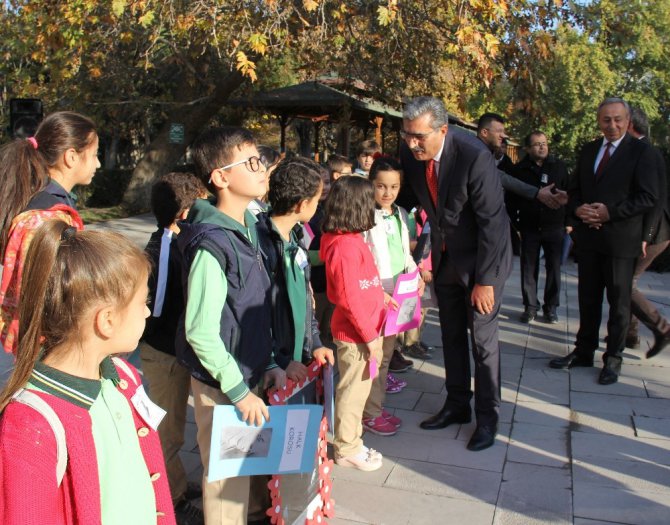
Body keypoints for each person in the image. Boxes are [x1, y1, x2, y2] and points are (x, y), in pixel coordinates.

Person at [0, 221, 175, 524]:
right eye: (142, 302)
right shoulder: (30, 424)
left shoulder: (124, 378)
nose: (148, 311)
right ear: (106, 320)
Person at [176, 126, 279, 525]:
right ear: (220, 177)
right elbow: (200, 330)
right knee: (225, 482)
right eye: (251, 162)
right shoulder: (211, 242)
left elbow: (252, 307)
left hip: (246, 372)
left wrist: (268, 363)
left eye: (261, 160)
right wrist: (238, 390)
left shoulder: (248, 228)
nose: (262, 169)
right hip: (223, 382)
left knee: (244, 475)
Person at [399, 96, 512, 452]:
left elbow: (493, 224)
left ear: (443, 130)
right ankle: (457, 405)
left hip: (481, 262)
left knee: (482, 343)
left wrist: (486, 281)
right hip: (446, 261)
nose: (412, 143)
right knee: (450, 336)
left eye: (419, 136)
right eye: (407, 135)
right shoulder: (410, 153)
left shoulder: (474, 156)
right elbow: (405, 197)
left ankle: (488, 419)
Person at [549, 98, 657, 385]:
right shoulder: (588, 151)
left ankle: (613, 358)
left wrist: (610, 213)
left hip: (621, 241)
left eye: (618, 119)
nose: (612, 125)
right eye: (606, 120)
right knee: (587, 299)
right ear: (599, 121)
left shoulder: (642, 153)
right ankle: (583, 351)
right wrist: (578, 209)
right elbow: (573, 192)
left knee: (619, 303)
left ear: (627, 120)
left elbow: (648, 197)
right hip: (589, 239)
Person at [1, 111, 98, 355]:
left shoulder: (44, 201)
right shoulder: (47, 216)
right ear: (71, 156)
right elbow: (48, 292)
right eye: (95, 155)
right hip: (40, 347)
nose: (97, 164)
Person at [139, 173, 205, 525]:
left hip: (172, 350)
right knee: (167, 430)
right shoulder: (165, 248)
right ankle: (170, 499)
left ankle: (176, 481)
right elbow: (160, 307)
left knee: (174, 426)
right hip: (165, 352)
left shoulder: (173, 242)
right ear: (184, 213)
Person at [320, 176, 386, 471]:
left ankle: (352, 440)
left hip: (365, 331)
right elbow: (348, 297)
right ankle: (347, 447)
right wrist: (370, 338)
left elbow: (360, 284)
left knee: (359, 389)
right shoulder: (344, 246)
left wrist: (381, 295)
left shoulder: (351, 240)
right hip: (357, 335)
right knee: (352, 391)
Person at [257, 157, 334, 386]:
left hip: (297, 358)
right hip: (275, 368)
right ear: (302, 204)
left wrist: (316, 343)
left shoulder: (295, 235)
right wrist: (279, 360)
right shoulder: (262, 246)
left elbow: (305, 300)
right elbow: (257, 316)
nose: (319, 205)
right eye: (316, 200)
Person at [361, 156, 423, 436]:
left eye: (394, 186)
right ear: (370, 184)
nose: (387, 193)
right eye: (381, 186)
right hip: (375, 294)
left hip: (399, 293)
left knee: (386, 354)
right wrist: (376, 289)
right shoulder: (363, 214)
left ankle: (376, 406)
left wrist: (416, 274)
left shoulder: (400, 213)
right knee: (373, 356)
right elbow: (362, 260)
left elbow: (405, 252)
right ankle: (369, 412)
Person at [510, 131, 569, 324]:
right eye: (536, 144)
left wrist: (569, 224)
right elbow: (511, 200)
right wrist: (516, 225)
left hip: (555, 226)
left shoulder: (558, 167)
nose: (542, 147)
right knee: (528, 268)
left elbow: (569, 195)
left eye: (544, 143)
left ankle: (551, 308)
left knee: (554, 268)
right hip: (529, 226)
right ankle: (530, 307)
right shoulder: (520, 170)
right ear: (527, 148)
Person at [625, 108, 670, 357]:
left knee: (624, 284)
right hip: (651, 232)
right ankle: (628, 334)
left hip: (653, 233)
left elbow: (655, 197)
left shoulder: (646, 152)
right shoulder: (640, 151)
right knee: (624, 282)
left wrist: (647, 235)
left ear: (630, 125)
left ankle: (662, 328)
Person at [476, 112, 568, 211]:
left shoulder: (560, 166)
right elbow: (502, 179)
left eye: (544, 144)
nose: (503, 136)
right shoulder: (477, 153)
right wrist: (537, 193)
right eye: (499, 131)